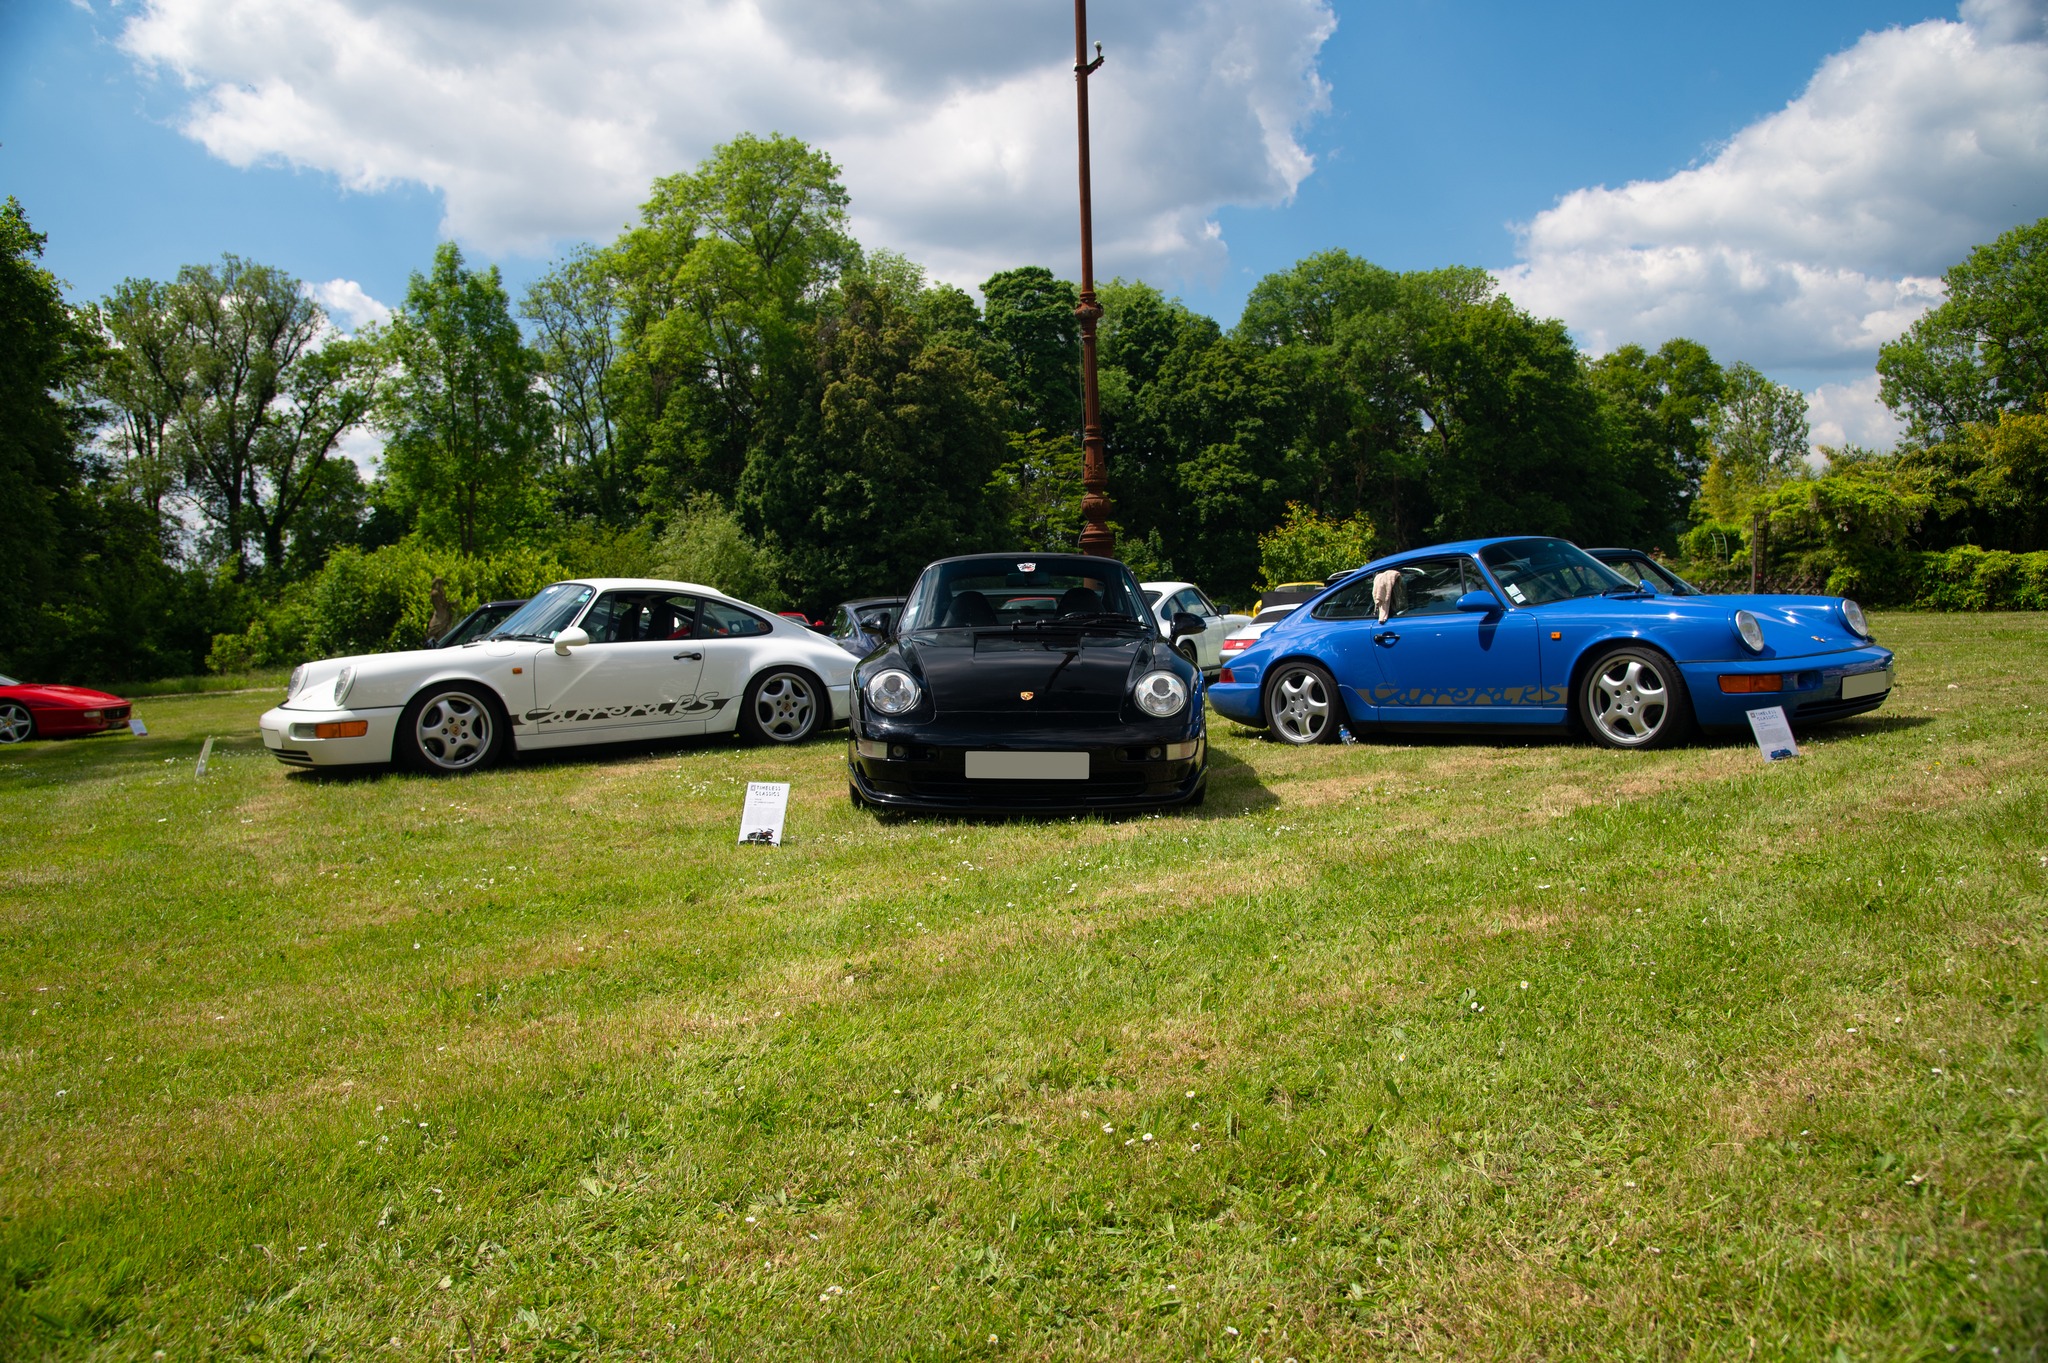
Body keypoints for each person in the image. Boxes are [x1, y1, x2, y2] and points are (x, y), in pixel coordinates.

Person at [426, 576, 454, 643]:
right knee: (436, 630)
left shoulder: (439, 592)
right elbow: (444, 604)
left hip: (442, 614)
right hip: (440, 615)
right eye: (440, 584)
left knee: (443, 632)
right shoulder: (436, 593)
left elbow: (445, 604)